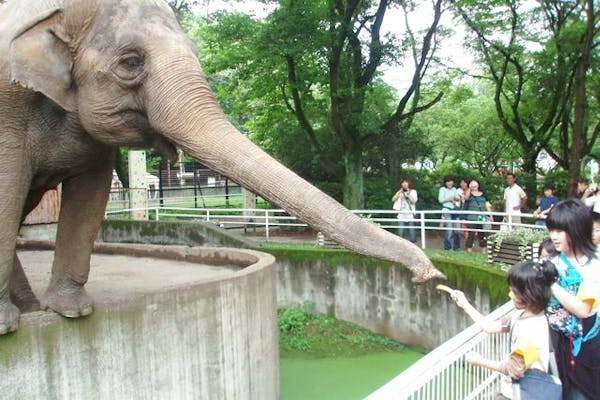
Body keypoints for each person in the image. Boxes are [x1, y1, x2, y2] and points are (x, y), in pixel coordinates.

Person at [450, 261, 560, 400]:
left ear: (529, 294)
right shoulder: (523, 315)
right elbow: (489, 326)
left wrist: (479, 361)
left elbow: (513, 370)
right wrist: (465, 304)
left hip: (518, 394)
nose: (509, 295)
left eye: (513, 291)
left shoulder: (531, 330)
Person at [545, 199, 600, 399]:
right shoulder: (552, 263)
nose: (554, 237)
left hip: (586, 346)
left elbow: (583, 309)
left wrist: (551, 284)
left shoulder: (594, 267)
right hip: (556, 346)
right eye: (552, 230)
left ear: (577, 230)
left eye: (560, 231)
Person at [464, 179, 492, 252]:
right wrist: (469, 189)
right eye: (472, 184)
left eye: (475, 184)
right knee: (471, 234)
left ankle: (484, 250)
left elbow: (488, 205)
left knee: (482, 234)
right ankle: (469, 250)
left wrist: (491, 216)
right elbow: (466, 198)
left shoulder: (483, 194)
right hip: (471, 217)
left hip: (481, 217)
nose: (474, 186)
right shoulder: (469, 194)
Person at [392, 178, 418, 243]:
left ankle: (414, 245)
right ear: (401, 184)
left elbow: (414, 201)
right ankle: (401, 245)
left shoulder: (413, 191)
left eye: (406, 182)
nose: (404, 184)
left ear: (409, 183)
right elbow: (393, 199)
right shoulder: (399, 192)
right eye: (403, 183)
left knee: (412, 233)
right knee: (400, 232)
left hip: (410, 215)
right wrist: (399, 193)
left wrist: (408, 195)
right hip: (401, 214)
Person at [438, 176, 461, 251]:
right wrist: (451, 198)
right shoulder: (442, 189)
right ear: (445, 183)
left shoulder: (455, 189)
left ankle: (457, 247)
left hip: (454, 210)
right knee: (449, 229)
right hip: (446, 210)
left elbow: (457, 198)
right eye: (447, 181)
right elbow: (441, 200)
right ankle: (447, 247)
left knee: (457, 229)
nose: (449, 183)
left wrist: (453, 198)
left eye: (451, 181)